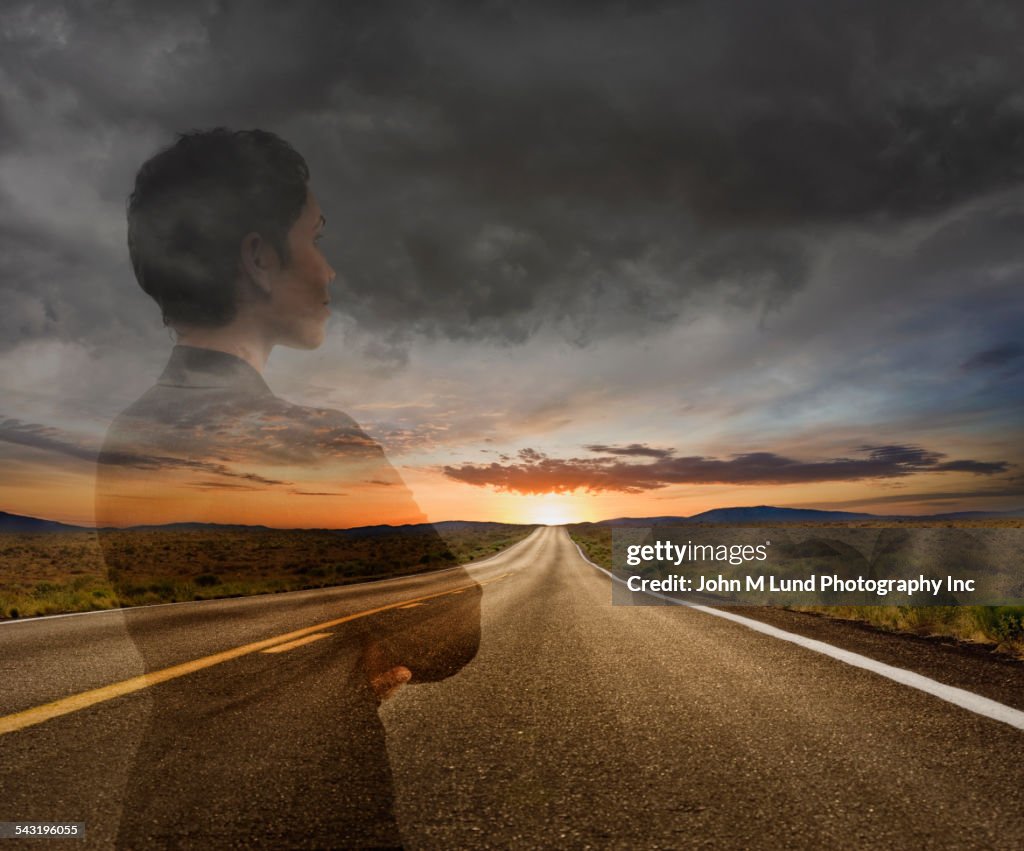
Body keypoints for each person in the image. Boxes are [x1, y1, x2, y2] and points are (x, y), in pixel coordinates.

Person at [95, 128, 481, 848]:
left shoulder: (127, 434)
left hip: (165, 813)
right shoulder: (316, 442)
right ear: (260, 258)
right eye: (315, 237)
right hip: (308, 814)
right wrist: (361, 644)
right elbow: (447, 633)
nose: (329, 270)